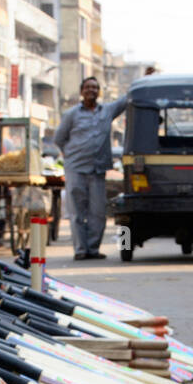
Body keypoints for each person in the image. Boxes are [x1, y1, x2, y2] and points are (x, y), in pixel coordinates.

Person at [53, 77, 127, 259]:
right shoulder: (72, 114)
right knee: (77, 212)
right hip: (76, 169)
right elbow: (59, 139)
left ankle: (93, 249)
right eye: (87, 87)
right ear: (81, 91)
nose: (91, 91)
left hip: (98, 170)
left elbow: (125, 101)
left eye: (94, 87)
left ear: (98, 91)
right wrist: (71, 155)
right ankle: (80, 250)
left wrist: (145, 79)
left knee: (98, 212)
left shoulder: (108, 111)